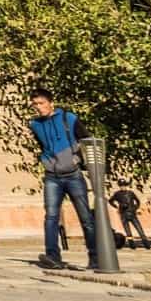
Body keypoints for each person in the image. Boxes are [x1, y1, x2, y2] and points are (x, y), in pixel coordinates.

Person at [27, 87, 95, 271]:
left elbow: (88, 140)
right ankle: (52, 256)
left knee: (86, 217)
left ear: (51, 103)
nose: (38, 107)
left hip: (73, 175)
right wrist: (47, 162)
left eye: (41, 103)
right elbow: (43, 146)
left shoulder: (69, 119)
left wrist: (79, 161)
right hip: (52, 177)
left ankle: (95, 256)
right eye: (35, 104)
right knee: (51, 216)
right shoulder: (35, 125)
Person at [110, 180, 150, 251]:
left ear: (126, 186)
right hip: (123, 214)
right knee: (128, 232)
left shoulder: (130, 193)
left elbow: (137, 201)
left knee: (140, 230)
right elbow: (110, 201)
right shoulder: (117, 194)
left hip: (132, 214)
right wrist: (117, 206)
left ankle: (146, 244)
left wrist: (135, 208)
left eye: (124, 185)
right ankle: (132, 245)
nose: (123, 187)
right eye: (121, 186)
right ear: (120, 186)